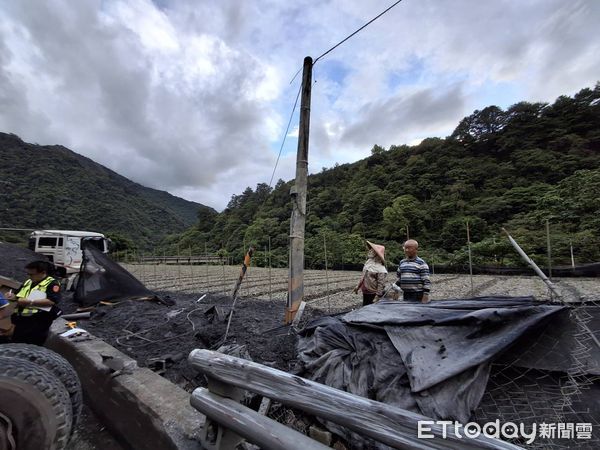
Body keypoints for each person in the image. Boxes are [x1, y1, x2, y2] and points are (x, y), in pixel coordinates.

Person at [4, 261, 62, 345]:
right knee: (17, 343)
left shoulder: (52, 283)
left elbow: (52, 301)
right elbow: (18, 294)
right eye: (28, 274)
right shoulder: (28, 282)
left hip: (37, 321)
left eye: (32, 274)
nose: (29, 277)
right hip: (21, 320)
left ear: (43, 273)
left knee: (31, 345)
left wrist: (31, 302)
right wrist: (12, 296)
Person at [353, 241, 387, 306]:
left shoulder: (380, 268)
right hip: (365, 290)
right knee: (365, 306)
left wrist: (378, 295)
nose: (370, 251)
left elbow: (381, 283)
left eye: (373, 250)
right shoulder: (368, 263)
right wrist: (358, 287)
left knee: (372, 309)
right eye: (370, 249)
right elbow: (363, 277)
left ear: (377, 254)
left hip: (372, 292)